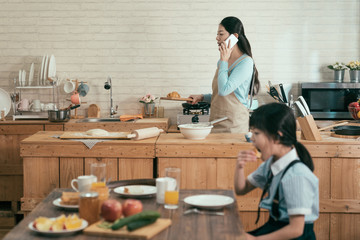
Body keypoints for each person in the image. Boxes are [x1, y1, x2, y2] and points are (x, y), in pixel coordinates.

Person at [234, 103, 319, 239]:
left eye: (256, 133)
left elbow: (296, 229)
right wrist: (239, 166)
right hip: (275, 227)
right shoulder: (270, 164)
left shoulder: (297, 176)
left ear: (277, 136)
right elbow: (241, 189)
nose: (252, 138)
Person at [189, 16, 260, 133]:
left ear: (234, 37)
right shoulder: (222, 62)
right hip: (216, 121)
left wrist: (223, 61)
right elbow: (221, 95)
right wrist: (202, 97)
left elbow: (224, 90)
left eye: (221, 34)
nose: (217, 38)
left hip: (235, 125)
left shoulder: (245, 62)